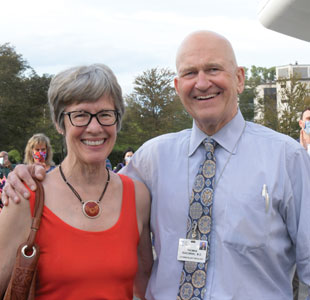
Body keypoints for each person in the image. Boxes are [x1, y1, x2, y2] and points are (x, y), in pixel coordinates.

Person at [2, 31, 310, 300]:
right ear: (177, 85)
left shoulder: (287, 159)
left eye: (213, 69)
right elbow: (90, 189)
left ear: (240, 78)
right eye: (190, 73)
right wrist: (25, 174)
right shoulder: (153, 158)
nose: (202, 83)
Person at [0, 63, 153, 299]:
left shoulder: (138, 196)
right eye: (80, 115)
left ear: (117, 120)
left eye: (105, 115)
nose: (94, 127)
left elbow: (144, 285)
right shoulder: (26, 196)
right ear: (60, 124)